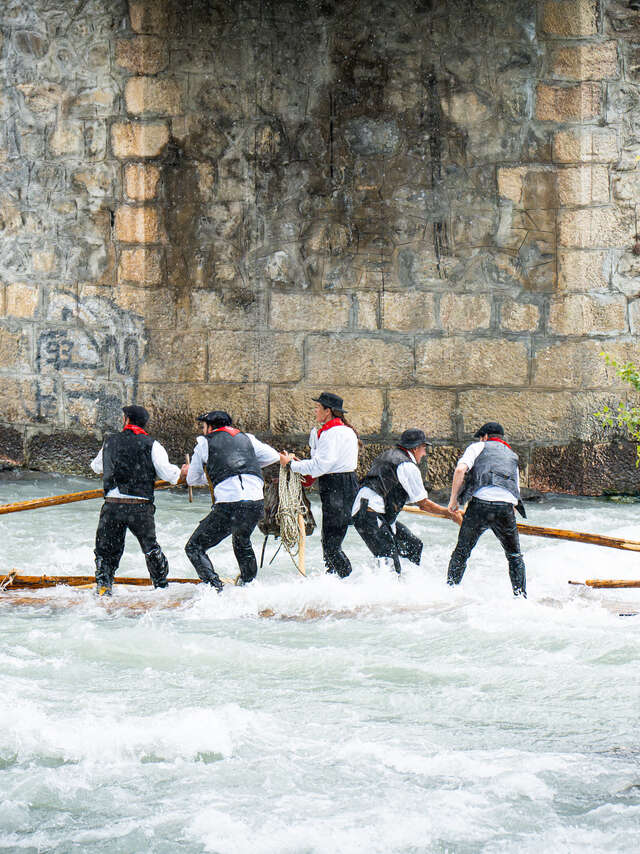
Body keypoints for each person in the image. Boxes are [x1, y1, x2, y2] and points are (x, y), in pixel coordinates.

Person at [90, 404, 183, 595]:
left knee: (106, 551)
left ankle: (104, 589)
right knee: (150, 548)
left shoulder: (109, 442)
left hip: (113, 505)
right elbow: (169, 474)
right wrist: (183, 472)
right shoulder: (152, 444)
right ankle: (161, 587)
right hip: (139, 506)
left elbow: (96, 467)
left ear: (126, 419)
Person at [182, 410, 280, 590]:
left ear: (210, 427)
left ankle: (215, 588)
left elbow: (192, 480)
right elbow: (273, 457)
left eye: (204, 426)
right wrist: (247, 467)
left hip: (231, 504)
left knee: (194, 547)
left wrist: (209, 473)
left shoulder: (204, 443)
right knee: (242, 540)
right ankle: (248, 587)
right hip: (256, 502)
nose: (203, 430)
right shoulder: (247, 438)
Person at [352, 428, 460, 574]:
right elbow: (424, 504)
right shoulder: (407, 466)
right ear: (415, 448)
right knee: (389, 563)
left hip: (372, 511)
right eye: (423, 448)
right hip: (369, 513)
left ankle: (406, 582)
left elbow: (397, 493)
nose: (424, 453)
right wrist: (449, 513)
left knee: (413, 545)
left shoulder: (388, 455)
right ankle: (389, 589)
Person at [279, 392, 358, 578]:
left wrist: (291, 465)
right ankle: (335, 581)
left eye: (318, 407)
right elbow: (321, 463)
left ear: (328, 411)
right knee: (330, 541)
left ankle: (348, 581)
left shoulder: (332, 433)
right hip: (343, 484)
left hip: (337, 487)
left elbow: (321, 465)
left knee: (331, 544)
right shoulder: (344, 430)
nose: (315, 410)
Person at [447, 421, 527, 597]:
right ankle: (521, 597)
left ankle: (450, 592)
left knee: (462, 551)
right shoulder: (512, 455)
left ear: (484, 436)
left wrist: (454, 501)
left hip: (480, 506)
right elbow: (515, 493)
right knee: (514, 556)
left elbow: (460, 470)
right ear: (501, 438)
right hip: (505, 507)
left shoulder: (478, 446)